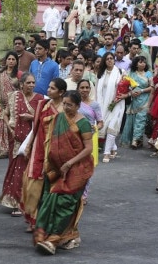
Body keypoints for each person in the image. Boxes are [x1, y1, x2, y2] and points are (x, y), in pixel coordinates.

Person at [33, 90, 94, 255]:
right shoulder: (59, 118)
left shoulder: (83, 123)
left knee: (66, 202)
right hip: (57, 168)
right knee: (50, 199)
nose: (66, 107)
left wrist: (69, 163)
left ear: (78, 106)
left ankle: (53, 240)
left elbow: (89, 148)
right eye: (64, 104)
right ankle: (65, 235)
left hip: (78, 168)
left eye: (70, 105)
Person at [21, 78, 67, 232]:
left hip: (56, 151)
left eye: (53, 88)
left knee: (51, 185)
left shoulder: (65, 109)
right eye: (49, 87)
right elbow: (36, 127)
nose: (49, 90)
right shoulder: (43, 104)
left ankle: (45, 219)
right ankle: (33, 219)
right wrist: (29, 146)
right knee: (33, 183)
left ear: (61, 92)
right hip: (39, 148)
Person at [0, 73, 43, 216]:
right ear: (22, 84)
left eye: (33, 82)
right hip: (16, 140)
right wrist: (10, 128)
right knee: (17, 170)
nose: (31, 85)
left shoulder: (40, 99)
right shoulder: (14, 97)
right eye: (28, 83)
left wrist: (31, 117)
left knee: (28, 171)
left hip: (32, 140)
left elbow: (43, 118)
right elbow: (4, 114)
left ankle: (28, 203)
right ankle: (16, 203)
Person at [0, 52, 20, 159]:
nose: (11, 61)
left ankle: (8, 149)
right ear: (6, 60)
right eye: (9, 59)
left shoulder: (19, 74)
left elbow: (20, 90)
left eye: (13, 59)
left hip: (12, 104)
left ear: (16, 61)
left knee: (9, 126)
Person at [96, 53, 125, 162]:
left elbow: (128, 88)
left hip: (117, 104)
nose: (109, 60)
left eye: (111, 58)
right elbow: (96, 91)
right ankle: (113, 148)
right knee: (105, 126)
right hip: (103, 105)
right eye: (107, 59)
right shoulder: (100, 73)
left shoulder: (121, 72)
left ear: (114, 60)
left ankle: (106, 153)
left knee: (112, 127)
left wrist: (122, 96)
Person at [121, 56, 154, 149]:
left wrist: (142, 91)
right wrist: (131, 92)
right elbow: (127, 86)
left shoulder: (148, 74)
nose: (143, 64)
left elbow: (152, 87)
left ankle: (135, 141)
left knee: (140, 121)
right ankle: (137, 140)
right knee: (133, 120)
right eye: (140, 62)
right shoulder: (131, 74)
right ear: (136, 64)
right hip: (134, 100)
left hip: (144, 100)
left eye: (144, 62)